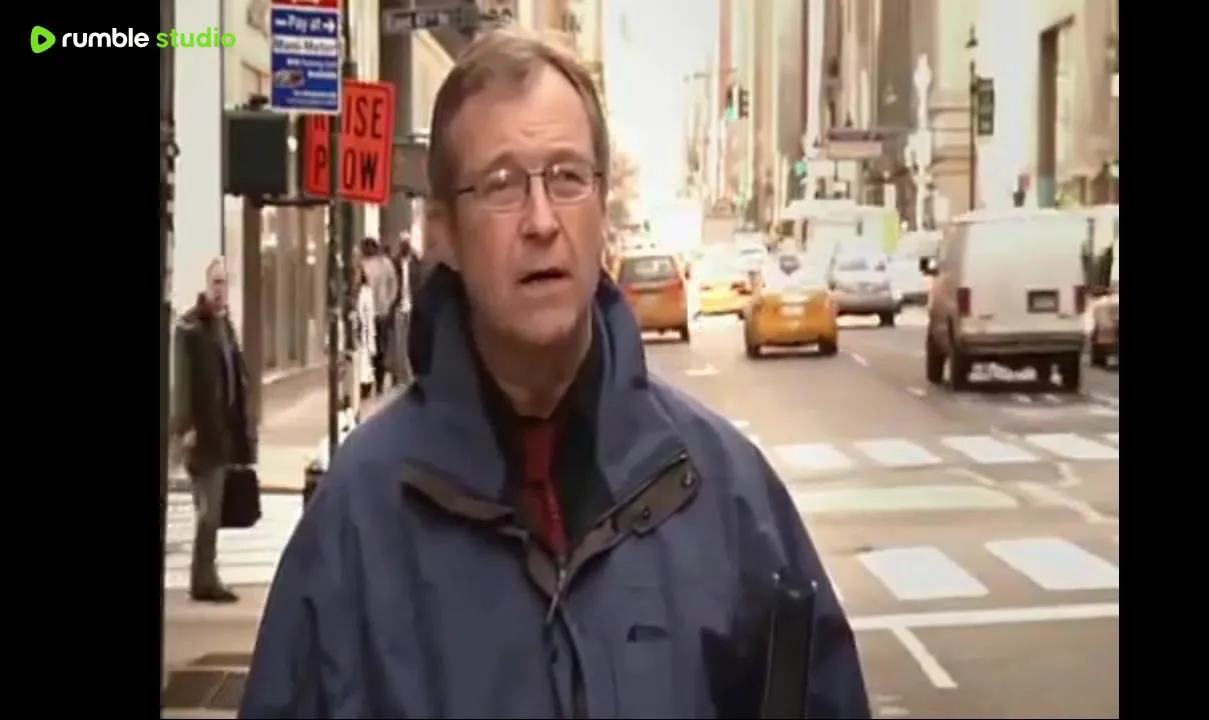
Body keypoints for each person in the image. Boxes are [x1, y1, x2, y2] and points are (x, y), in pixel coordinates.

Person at [240, 29, 870, 719]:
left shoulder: (728, 496)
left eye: (567, 178)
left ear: (602, 210)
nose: (541, 221)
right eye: (502, 185)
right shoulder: (358, 522)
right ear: (442, 230)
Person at [172, 257, 255, 604]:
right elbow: (182, 382)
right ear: (206, 285)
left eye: (224, 282)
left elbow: (236, 376)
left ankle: (204, 576)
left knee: (213, 511)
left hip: (223, 432)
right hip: (202, 433)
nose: (220, 289)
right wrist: (185, 426)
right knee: (208, 513)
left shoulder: (225, 326)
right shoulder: (190, 328)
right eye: (215, 282)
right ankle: (204, 579)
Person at [360, 237, 398, 394]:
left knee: (377, 348)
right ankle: (370, 383)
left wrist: (388, 303)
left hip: (379, 312)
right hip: (370, 312)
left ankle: (377, 382)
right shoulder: (363, 264)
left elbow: (393, 284)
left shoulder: (384, 264)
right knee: (370, 349)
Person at [391, 231, 424, 386]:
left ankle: (411, 373)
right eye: (402, 243)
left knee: (411, 340)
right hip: (399, 305)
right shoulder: (396, 262)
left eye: (407, 243)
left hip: (412, 304)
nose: (405, 246)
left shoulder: (416, 262)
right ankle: (401, 375)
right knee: (399, 342)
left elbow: (420, 282)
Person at [353, 264, 378, 402]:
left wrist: (371, 338)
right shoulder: (349, 292)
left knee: (364, 361)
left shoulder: (366, 292)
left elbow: (369, 316)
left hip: (363, 332)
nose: (355, 277)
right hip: (353, 333)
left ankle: (365, 385)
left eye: (357, 273)